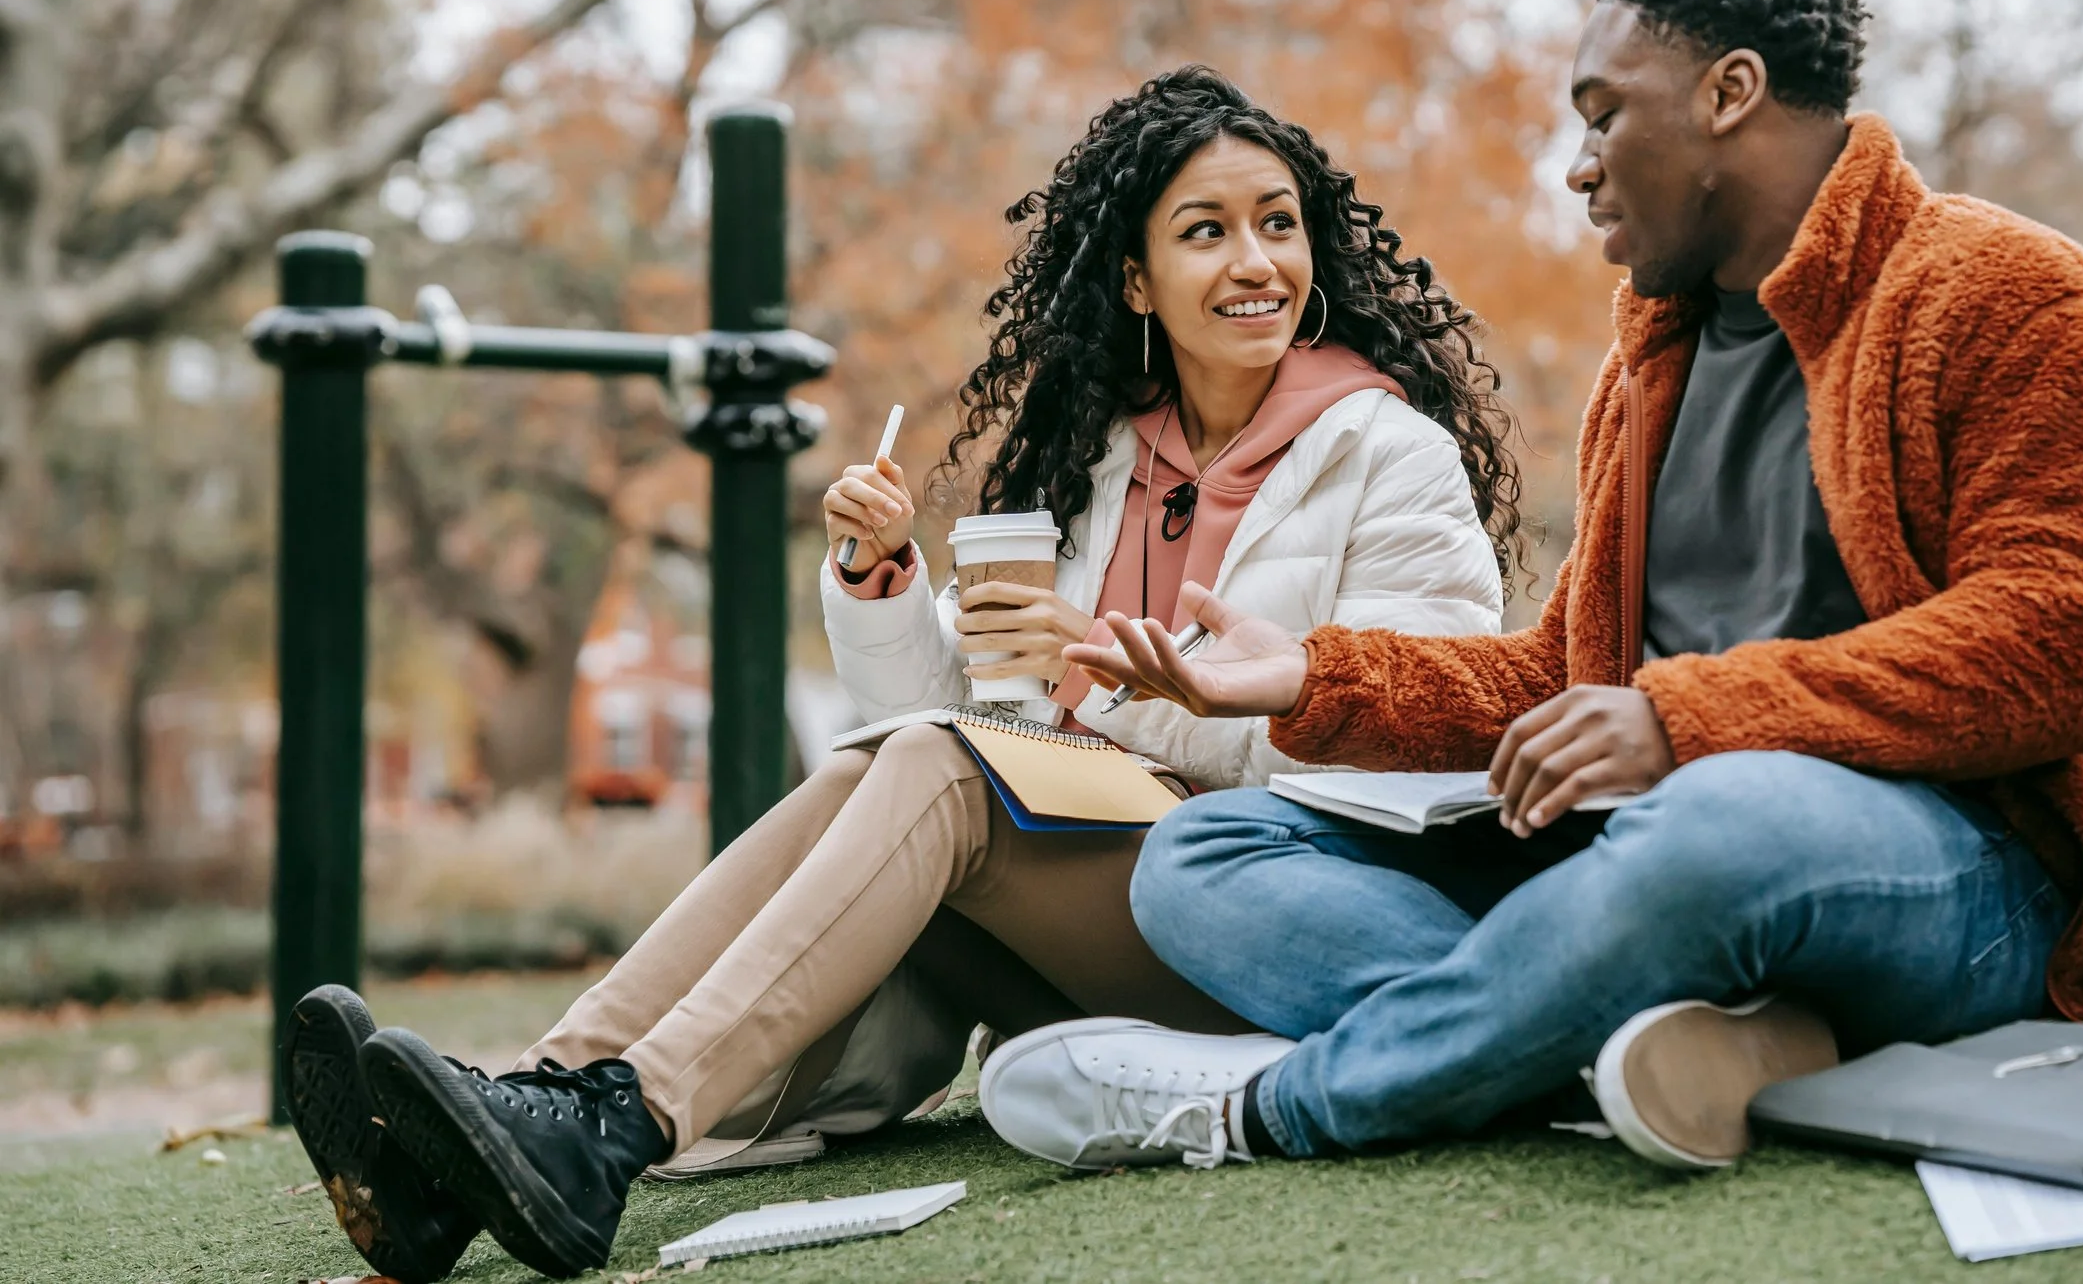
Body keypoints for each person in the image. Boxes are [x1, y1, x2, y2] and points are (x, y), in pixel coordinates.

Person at [976, 0, 2083, 1176]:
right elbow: (1567, 675)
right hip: (1656, 848)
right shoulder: (1649, 357)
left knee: (1722, 815)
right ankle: (1645, 1045)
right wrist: (1317, 676)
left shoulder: (2013, 294)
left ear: (1728, 92)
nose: (1579, 160)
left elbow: (2080, 631)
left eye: (1604, 113)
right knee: (1204, 855)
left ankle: (1277, 1101)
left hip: (1985, 868)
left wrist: (1685, 718)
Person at [283, 66, 1522, 1280]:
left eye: (1277, 224)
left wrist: (1116, 685)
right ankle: (526, 1110)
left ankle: (615, 1123)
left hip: (1261, 916)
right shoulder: (1094, 455)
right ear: (1136, 277)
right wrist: (882, 581)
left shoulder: (1386, 452)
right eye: (1206, 231)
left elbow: (1414, 729)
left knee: (934, 767)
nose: (1255, 260)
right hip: (1089, 906)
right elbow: (944, 729)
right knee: (883, 764)